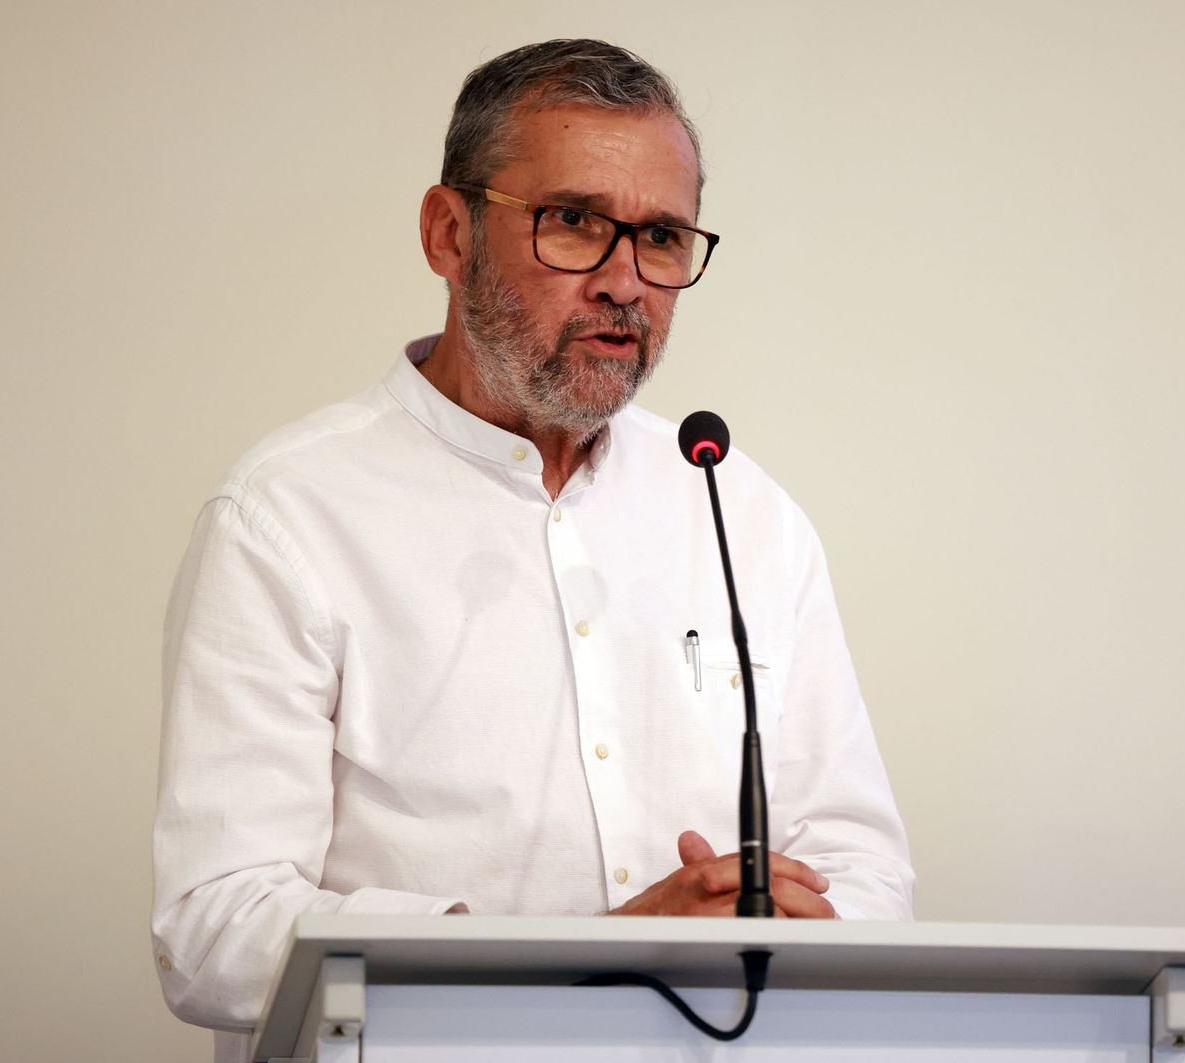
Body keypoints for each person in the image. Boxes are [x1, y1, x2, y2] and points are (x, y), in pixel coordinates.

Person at [151, 39, 915, 1059]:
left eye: (661, 236)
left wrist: (785, 926)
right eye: (573, 223)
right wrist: (590, 955)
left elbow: (864, 868)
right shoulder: (286, 515)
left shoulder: (737, 507)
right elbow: (215, 930)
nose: (625, 282)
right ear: (446, 231)